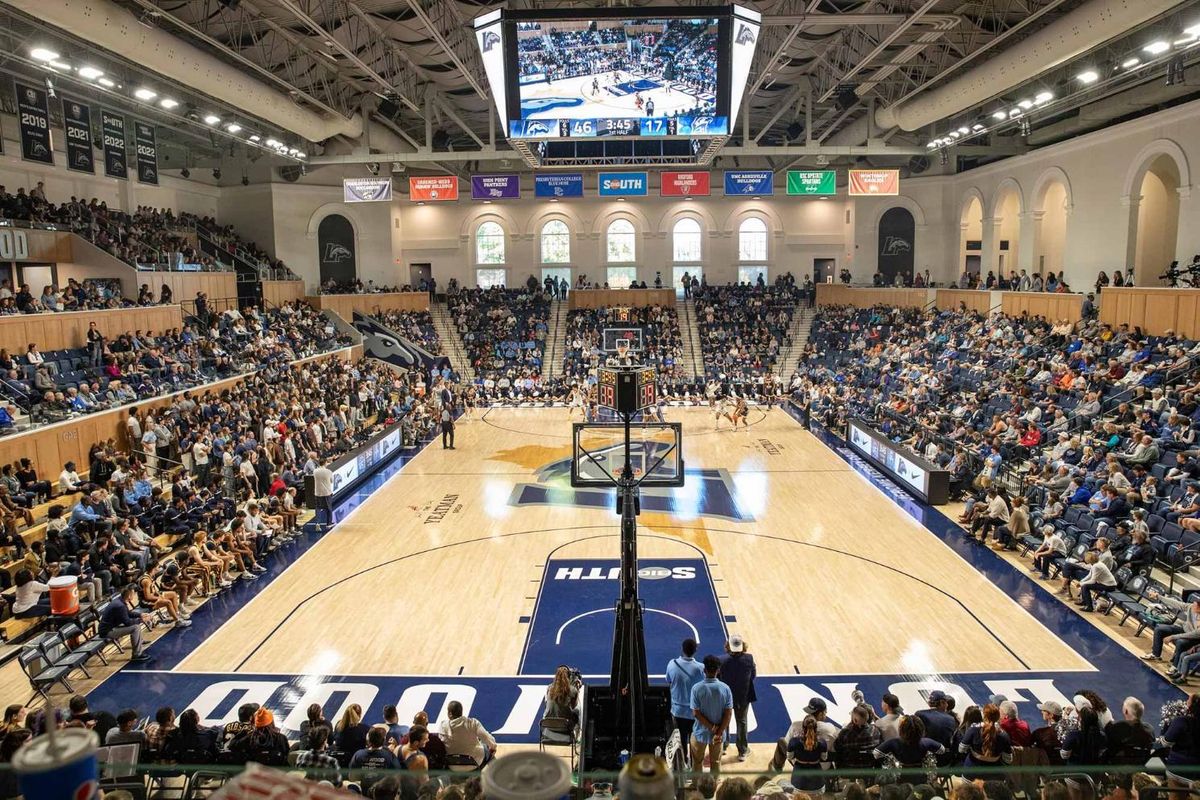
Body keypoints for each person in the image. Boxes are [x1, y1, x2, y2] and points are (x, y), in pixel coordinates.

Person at [690, 654, 733, 779]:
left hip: (700, 733)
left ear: (704, 670)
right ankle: (712, 786)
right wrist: (718, 732)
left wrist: (711, 727)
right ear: (718, 670)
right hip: (718, 735)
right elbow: (728, 713)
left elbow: (696, 713)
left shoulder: (696, 689)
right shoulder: (726, 689)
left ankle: (697, 786)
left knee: (697, 762)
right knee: (716, 763)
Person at [718, 634, 756, 761]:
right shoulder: (749, 659)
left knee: (724, 720)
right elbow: (753, 675)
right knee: (742, 721)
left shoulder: (721, 660)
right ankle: (742, 751)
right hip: (743, 696)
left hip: (726, 697)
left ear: (728, 646)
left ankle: (723, 746)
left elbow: (718, 679)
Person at [667, 637, 705, 757]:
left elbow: (668, 680)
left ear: (682, 649)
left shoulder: (672, 664)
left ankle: (684, 763)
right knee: (695, 741)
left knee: (681, 740)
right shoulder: (700, 668)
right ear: (695, 650)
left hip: (678, 711)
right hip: (694, 712)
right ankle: (694, 765)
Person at [98, 585, 153, 663]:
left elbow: (128, 613)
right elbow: (128, 622)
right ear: (129, 595)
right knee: (135, 627)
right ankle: (136, 654)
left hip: (111, 627)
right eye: (133, 594)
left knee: (135, 625)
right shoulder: (120, 606)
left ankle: (139, 642)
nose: (134, 595)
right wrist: (142, 620)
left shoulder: (120, 601)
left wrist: (140, 615)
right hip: (107, 631)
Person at [441, 699, 496, 767]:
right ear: (461, 712)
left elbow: (441, 744)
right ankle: (497, 773)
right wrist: (493, 747)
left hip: (452, 766)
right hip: (474, 764)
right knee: (487, 746)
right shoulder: (472, 723)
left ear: (450, 713)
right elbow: (488, 739)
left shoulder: (442, 726)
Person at [348, 726, 400, 795]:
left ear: (368, 739)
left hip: (364, 793)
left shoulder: (358, 754)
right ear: (383, 740)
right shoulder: (389, 755)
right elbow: (397, 775)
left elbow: (352, 777)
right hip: (383, 794)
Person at [786, 716, 829, 792]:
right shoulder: (822, 742)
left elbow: (790, 757)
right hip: (817, 785)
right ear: (816, 728)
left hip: (798, 784)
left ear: (803, 727)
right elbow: (824, 758)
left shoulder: (794, 741)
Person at [312, 457, 333, 530]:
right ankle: (329, 523)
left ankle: (317, 523)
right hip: (326, 492)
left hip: (317, 492)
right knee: (328, 508)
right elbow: (331, 481)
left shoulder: (315, 471)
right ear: (325, 463)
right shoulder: (328, 471)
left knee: (318, 508)